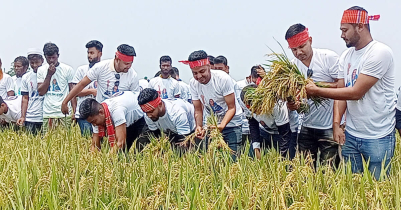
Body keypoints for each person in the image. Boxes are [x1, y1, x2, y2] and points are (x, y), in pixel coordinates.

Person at [305, 6, 395, 180]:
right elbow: (342, 91)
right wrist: (336, 123)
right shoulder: (346, 56)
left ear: (360, 26)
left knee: (379, 189)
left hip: (377, 135)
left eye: (345, 30)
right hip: (352, 135)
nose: (341, 35)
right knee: (353, 187)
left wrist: (316, 91)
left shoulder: (379, 53)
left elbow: (355, 93)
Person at [285, 23, 340, 166]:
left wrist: (318, 88)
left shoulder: (328, 58)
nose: (298, 53)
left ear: (310, 40)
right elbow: (295, 97)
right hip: (306, 126)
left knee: (328, 172)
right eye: (294, 50)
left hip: (328, 126)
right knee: (305, 171)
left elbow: (342, 87)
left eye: (302, 46)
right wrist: (293, 104)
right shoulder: (292, 66)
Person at [180, 50, 243, 157]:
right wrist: (198, 126)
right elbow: (198, 109)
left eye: (202, 71)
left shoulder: (222, 79)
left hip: (232, 124)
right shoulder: (193, 83)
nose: (199, 76)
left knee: (232, 160)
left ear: (209, 66)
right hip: (211, 125)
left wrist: (222, 125)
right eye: (195, 73)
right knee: (212, 160)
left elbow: (232, 108)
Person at [61, 44, 140, 113]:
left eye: (131, 63)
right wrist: (65, 102)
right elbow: (81, 84)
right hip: (101, 114)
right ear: (117, 59)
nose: (129, 67)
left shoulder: (133, 75)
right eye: (126, 63)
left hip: (122, 115)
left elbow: (135, 98)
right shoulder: (101, 67)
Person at [79, 91, 148, 153]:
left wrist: (107, 162)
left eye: (94, 121)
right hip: (127, 120)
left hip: (143, 116)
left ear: (101, 112)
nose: (94, 125)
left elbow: (120, 142)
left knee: (140, 149)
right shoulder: (96, 117)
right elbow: (95, 145)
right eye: (91, 123)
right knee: (120, 153)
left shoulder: (117, 110)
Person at [241, 85, 291, 159]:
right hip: (265, 130)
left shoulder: (276, 105)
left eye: (256, 108)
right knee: (252, 157)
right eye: (251, 109)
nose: (255, 112)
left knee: (286, 161)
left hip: (283, 132)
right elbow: (253, 124)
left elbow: (284, 134)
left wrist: (282, 159)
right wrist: (256, 148)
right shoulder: (246, 105)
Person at [37, 43, 76, 133]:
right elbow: (41, 92)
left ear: (58, 56)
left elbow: (72, 91)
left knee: (65, 140)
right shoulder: (41, 70)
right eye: (48, 58)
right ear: (45, 57)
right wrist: (49, 75)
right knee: (48, 141)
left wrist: (74, 111)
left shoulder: (67, 69)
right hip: (48, 112)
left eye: (53, 57)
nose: (51, 60)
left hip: (64, 112)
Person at [213, 55, 251, 146]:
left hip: (233, 124)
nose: (218, 72)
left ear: (227, 68)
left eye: (220, 69)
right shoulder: (213, 84)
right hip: (218, 125)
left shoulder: (232, 83)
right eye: (215, 69)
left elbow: (240, 104)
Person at [72, 40, 102, 136]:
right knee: (86, 140)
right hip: (83, 114)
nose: (89, 55)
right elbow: (75, 91)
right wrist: (91, 91)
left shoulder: (104, 70)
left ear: (100, 54)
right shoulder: (81, 70)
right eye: (88, 53)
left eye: (92, 53)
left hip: (99, 113)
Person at [16, 48, 45, 134]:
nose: (35, 65)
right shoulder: (26, 77)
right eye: (32, 63)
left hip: (45, 115)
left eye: (37, 62)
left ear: (42, 61)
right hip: (31, 117)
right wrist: (23, 116)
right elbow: (25, 98)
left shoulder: (48, 74)